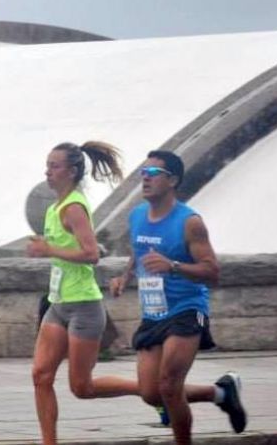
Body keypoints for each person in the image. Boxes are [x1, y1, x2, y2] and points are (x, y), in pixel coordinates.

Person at [109, 150, 247, 445]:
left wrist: (173, 265)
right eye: (143, 172)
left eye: (153, 173)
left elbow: (212, 272)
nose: (145, 177)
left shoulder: (189, 221)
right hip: (153, 312)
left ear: (172, 180)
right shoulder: (136, 217)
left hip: (187, 309)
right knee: (150, 393)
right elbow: (139, 251)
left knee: (170, 386)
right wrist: (125, 277)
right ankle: (221, 393)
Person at [27, 141, 138, 445]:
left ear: (72, 171)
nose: (48, 171)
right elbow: (64, 252)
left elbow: (91, 254)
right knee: (40, 376)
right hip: (58, 303)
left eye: (55, 166)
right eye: (47, 165)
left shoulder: (74, 207)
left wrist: (49, 248)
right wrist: (44, 249)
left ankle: (147, 390)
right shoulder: (53, 209)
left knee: (82, 387)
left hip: (84, 307)